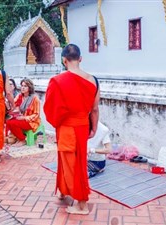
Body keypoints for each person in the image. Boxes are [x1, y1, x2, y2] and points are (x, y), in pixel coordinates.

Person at [43, 44, 100, 215]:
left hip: (67, 128)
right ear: (80, 59)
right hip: (83, 126)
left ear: (64, 60)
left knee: (72, 165)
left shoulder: (58, 81)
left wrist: (56, 123)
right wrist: (94, 128)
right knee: (75, 162)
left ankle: (82, 204)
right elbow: (95, 109)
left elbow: (50, 108)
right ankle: (64, 190)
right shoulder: (93, 80)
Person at [6, 78, 41, 147]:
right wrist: (8, 101)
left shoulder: (35, 98)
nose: (23, 88)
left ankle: (22, 140)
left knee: (13, 123)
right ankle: (17, 138)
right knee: (8, 121)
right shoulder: (20, 96)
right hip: (22, 118)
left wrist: (24, 117)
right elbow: (13, 105)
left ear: (30, 87)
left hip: (32, 121)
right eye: (22, 86)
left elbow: (36, 114)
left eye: (25, 86)